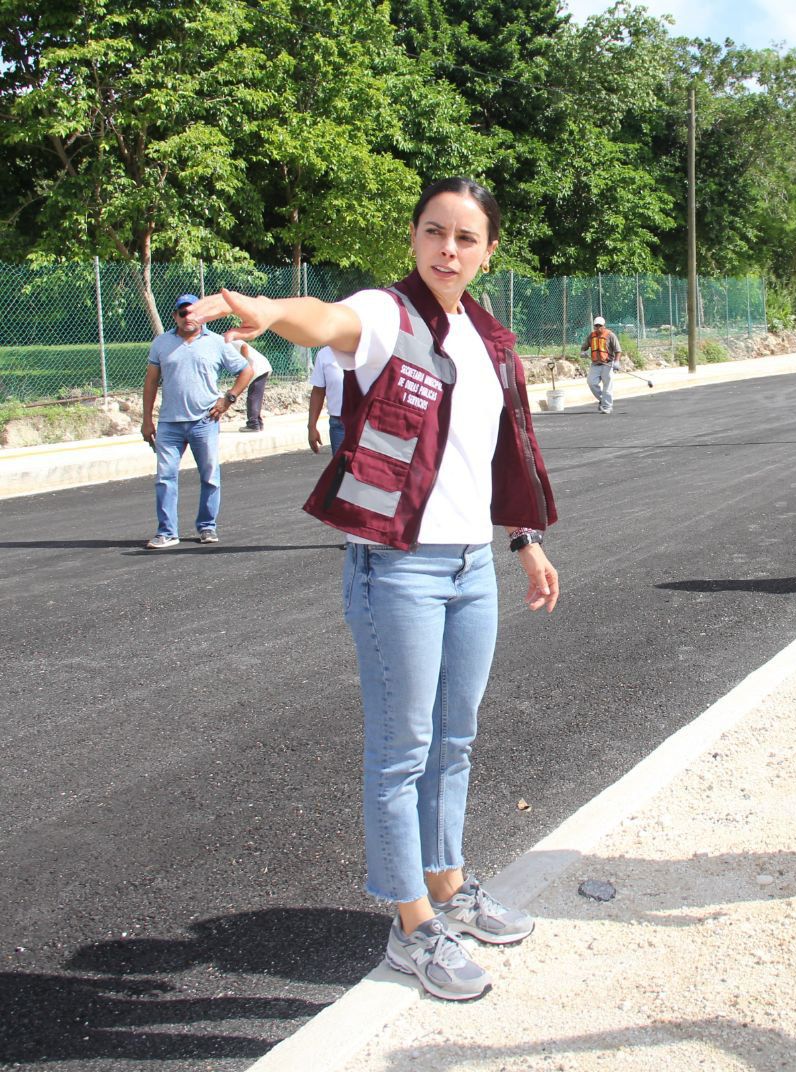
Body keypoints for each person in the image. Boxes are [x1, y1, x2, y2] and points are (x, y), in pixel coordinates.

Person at [189, 177, 559, 1003]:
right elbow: (327, 319)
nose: (448, 250)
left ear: (488, 251)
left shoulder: (490, 340)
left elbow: (501, 455)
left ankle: (451, 887)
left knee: (455, 740)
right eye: (434, 232)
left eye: (465, 238)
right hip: (396, 566)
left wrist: (525, 541)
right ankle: (412, 927)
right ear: (414, 238)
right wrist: (268, 309)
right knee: (403, 750)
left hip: (471, 567)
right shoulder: (389, 316)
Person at [141, 293, 256, 549]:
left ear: (202, 316)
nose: (188, 318)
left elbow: (246, 370)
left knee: (210, 476)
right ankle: (167, 532)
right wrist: (146, 420)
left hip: (204, 420)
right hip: (169, 423)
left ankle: (207, 526)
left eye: (193, 312)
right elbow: (150, 382)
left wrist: (228, 399)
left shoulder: (217, 342)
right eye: (183, 313)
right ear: (175, 316)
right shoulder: (161, 343)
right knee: (164, 477)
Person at [307, 346, 346, 455]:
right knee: (341, 470)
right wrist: (312, 426)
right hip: (339, 426)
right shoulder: (324, 354)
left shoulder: (369, 349)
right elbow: (318, 391)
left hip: (366, 425)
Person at [580, 316, 620, 413]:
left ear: (604, 326)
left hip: (607, 364)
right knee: (591, 382)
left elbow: (618, 350)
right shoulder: (591, 336)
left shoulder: (610, 335)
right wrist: (582, 352)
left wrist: (616, 362)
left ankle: (607, 407)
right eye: (596, 326)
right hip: (595, 364)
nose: (598, 328)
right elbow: (584, 347)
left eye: (600, 326)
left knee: (607, 386)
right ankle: (603, 400)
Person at [239, 342, 273, 432]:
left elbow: (244, 346)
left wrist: (245, 366)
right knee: (256, 396)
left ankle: (253, 424)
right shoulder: (227, 338)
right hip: (261, 366)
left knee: (253, 396)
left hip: (258, 368)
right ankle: (258, 423)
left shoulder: (224, 340)